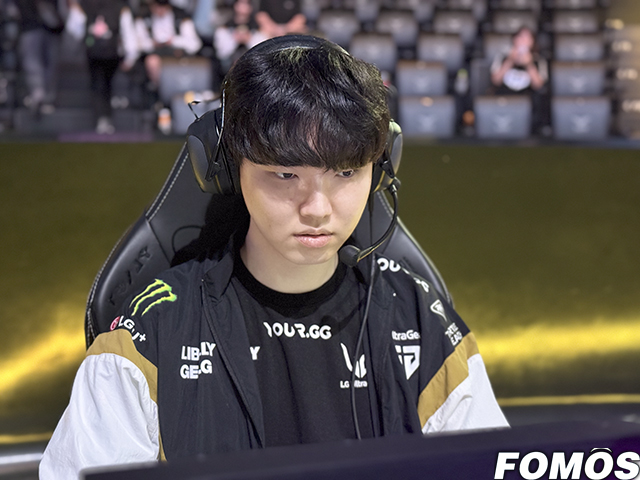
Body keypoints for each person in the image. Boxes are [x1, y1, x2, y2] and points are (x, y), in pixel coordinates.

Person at [39, 35, 508, 479]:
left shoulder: (420, 317)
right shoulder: (149, 334)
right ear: (228, 167)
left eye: (346, 172)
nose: (317, 208)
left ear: (381, 169)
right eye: (285, 174)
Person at [65, 0, 138, 134]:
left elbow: (74, 28)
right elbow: (128, 33)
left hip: (101, 52)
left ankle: (103, 118)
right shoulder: (120, 6)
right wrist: (130, 56)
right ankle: (103, 118)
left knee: (99, 86)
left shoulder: (85, 4)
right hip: (105, 53)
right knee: (104, 86)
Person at [134, 0, 203, 90]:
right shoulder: (143, 17)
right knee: (152, 61)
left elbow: (195, 45)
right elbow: (136, 44)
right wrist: (152, 43)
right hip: (155, 54)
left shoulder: (181, 16)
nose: (159, 10)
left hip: (177, 55)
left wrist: (173, 40)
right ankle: (161, 90)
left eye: (162, 6)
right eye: (156, 7)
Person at [15, 0, 64, 114]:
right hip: (33, 25)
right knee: (36, 62)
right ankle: (41, 95)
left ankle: (42, 95)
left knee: (43, 63)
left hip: (46, 27)